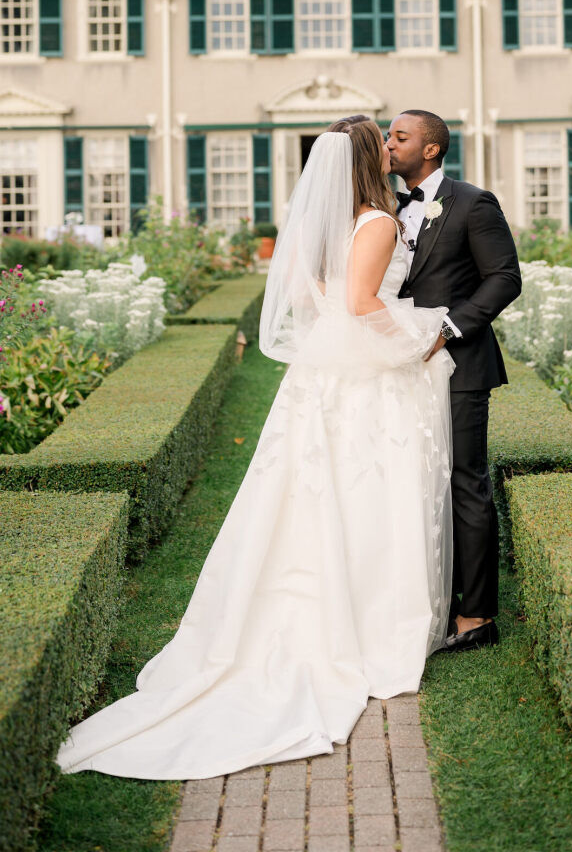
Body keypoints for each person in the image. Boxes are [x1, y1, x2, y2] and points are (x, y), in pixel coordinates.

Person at [56, 115, 455, 780]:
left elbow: (307, 293)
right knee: (367, 496)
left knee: (302, 499)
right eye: (382, 143)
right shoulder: (377, 222)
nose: (391, 148)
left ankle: (303, 616)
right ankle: (375, 626)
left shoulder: (320, 223)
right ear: (367, 159)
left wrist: (348, 315)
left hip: (318, 376)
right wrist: (417, 341)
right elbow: (362, 303)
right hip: (364, 379)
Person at [386, 110, 522, 653]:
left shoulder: (473, 202)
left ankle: (477, 616)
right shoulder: (386, 208)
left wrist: (449, 327)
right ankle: (428, 597)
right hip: (401, 367)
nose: (388, 144)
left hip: (461, 365)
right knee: (415, 481)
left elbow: (505, 278)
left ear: (431, 150)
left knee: (464, 482)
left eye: (399, 136)